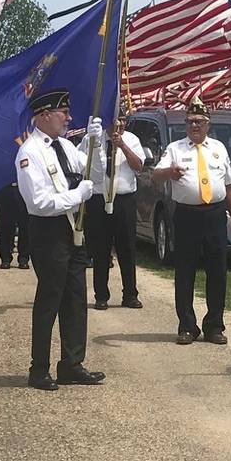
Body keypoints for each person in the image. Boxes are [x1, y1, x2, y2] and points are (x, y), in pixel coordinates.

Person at [14, 88, 105, 391]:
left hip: (74, 230)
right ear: (43, 116)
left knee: (76, 298)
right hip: (49, 231)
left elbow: (94, 174)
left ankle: (71, 364)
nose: (68, 117)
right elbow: (38, 202)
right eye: (62, 112)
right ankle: (38, 368)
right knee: (50, 299)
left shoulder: (65, 145)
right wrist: (76, 195)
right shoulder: (29, 153)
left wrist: (95, 143)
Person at [150, 99, 231, 345]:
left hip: (214, 215)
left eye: (199, 122)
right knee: (185, 271)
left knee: (217, 272)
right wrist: (169, 172)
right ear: (185, 125)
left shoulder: (219, 148)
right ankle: (187, 326)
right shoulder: (175, 149)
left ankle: (214, 326)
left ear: (208, 124)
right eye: (190, 122)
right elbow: (155, 176)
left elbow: (230, 185)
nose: (195, 126)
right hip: (187, 215)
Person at [76, 107, 143, 310]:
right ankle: (101, 295)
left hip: (124, 201)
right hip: (98, 201)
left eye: (122, 120)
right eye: (115, 120)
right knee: (100, 249)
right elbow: (79, 165)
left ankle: (130, 294)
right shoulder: (92, 139)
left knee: (127, 249)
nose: (119, 124)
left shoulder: (132, 140)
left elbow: (139, 166)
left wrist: (122, 146)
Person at [0, 182, 30, 269]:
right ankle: (5, 258)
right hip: (2, 189)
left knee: (26, 226)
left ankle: (24, 258)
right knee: (3, 226)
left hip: (23, 190)